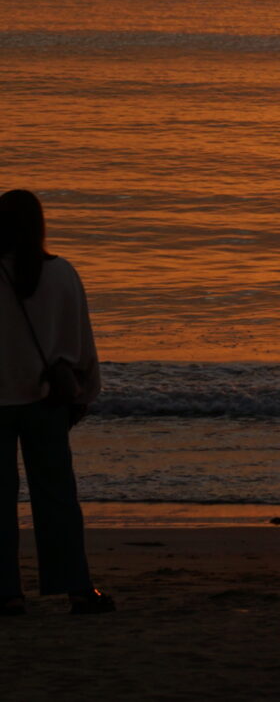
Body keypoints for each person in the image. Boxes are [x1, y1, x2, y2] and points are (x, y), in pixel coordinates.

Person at [0, 189, 109, 617]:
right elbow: (81, 344)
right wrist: (85, 395)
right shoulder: (62, 273)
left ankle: (7, 594)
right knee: (58, 498)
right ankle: (76, 589)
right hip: (47, 404)